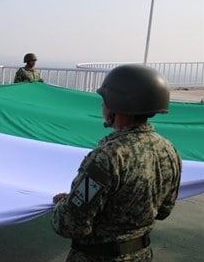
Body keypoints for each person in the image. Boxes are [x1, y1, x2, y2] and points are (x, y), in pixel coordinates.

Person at [51, 64, 182, 262]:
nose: (102, 106)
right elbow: (163, 210)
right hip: (141, 255)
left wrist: (63, 205)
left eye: (104, 101)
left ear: (116, 105)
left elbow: (69, 224)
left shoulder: (108, 157)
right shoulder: (169, 150)